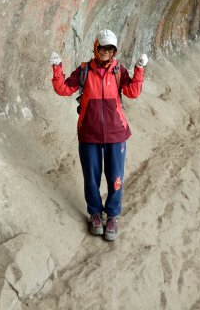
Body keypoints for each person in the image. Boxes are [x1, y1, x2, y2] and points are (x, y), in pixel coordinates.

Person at [50, 29, 148, 242]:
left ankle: (112, 216)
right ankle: (95, 214)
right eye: (102, 47)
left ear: (114, 51)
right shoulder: (84, 70)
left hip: (116, 132)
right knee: (91, 177)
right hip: (89, 131)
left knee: (115, 177)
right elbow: (64, 89)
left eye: (110, 49)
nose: (105, 52)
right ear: (96, 47)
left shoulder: (118, 71)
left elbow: (133, 92)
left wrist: (139, 70)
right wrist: (57, 68)